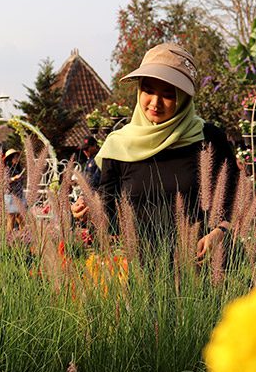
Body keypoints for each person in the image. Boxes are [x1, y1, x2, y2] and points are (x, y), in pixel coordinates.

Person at [72, 42, 237, 262]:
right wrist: (87, 213)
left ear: (184, 98)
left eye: (168, 94)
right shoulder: (118, 145)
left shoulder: (207, 139)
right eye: (148, 90)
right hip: (140, 278)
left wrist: (219, 233)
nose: (155, 103)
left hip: (201, 273)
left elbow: (234, 201)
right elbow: (109, 216)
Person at [3, 148, 25, 232]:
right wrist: (14, 178)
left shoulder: (18, 168)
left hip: (19, 195)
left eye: (17, 157)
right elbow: (5, 181)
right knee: (11, 218)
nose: (17, 159)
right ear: (10, 159)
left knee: (21, 217)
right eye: (15, 157)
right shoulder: (7, 169)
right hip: (11, 196)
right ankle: (9, 238)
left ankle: (25, 237)